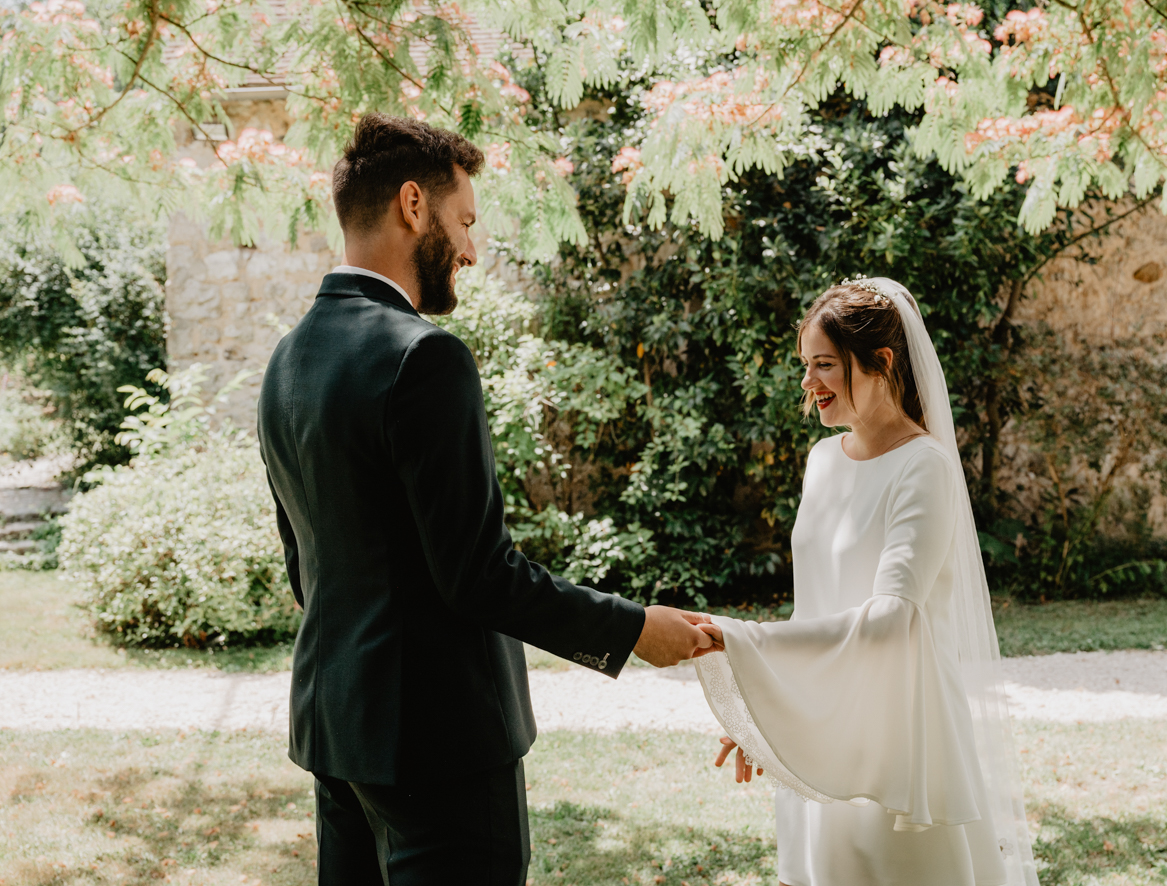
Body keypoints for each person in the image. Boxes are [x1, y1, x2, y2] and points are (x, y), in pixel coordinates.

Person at [256, 113, 718, 886]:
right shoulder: (425, 357)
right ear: (413, 205)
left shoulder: (287, 358)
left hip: (337, 736)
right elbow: (478, 575)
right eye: (464, 222)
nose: (470, 250)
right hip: (441, 745)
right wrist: (634, 628)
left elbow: (306, 568)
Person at [695, 277, 1039, 886]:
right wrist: (764, 713)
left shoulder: (924, 466)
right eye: (806, 365)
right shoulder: (821, 461)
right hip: (822, 725)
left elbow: (891, 620)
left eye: (824, 365)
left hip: (898, 733)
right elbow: (814, 610)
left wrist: (741, 641)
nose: (809, 384)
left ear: (881, 363)